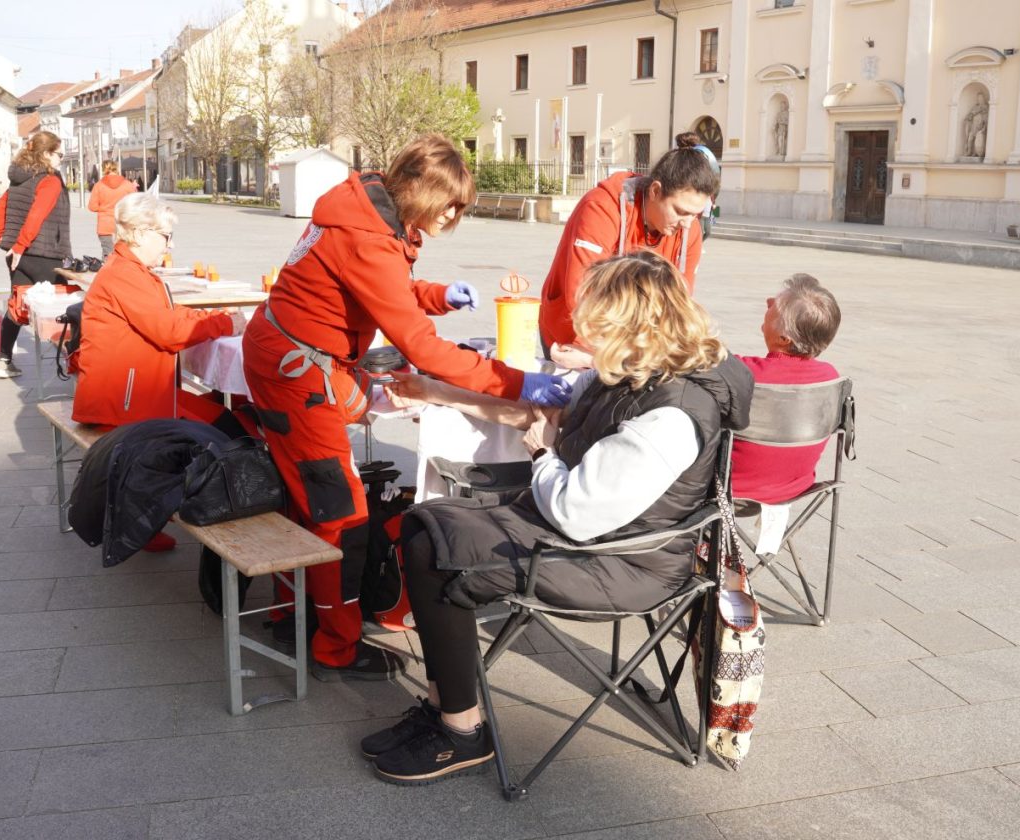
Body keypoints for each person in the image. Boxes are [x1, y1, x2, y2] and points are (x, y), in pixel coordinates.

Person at [361, 251, 754, 786]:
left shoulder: (672, 414)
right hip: (584, 531)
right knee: (424, 524)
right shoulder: (634, 371)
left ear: (633, 328)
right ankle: (443, 708)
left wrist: (544, 454)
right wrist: (437, 392)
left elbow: (574, 509)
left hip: (623, 561)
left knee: (437, 549)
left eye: (596, 326)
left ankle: (461, 730)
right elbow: (536, 414)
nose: (582, 337)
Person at [241, 133, 572, 683]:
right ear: (418, 190)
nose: (454, 215)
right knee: (339, 511)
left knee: (308, 498)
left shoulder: (366, 210)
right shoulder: (368, 237)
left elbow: (385, 289)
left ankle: (293, 615)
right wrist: (518, 383)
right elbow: (422, 348)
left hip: (288, 358)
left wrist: (439, 296)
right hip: (297, 373)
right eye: (450, 203)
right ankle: (335, 646)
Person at [72, 192, 247, 552]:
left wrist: (213, 318)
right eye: (166, 236)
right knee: (223, 431)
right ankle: (151, 516)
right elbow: (169, 331)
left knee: (222, 418)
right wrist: (225, 323)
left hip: (135, 391)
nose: (170, 245)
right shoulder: (126, 274)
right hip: (123, 400)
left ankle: (156, 514)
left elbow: (169, 317)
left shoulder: (131, 270)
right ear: (139, 233)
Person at [538, 139, 719, 353]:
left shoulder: (690, 229)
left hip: (637, 348)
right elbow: (580, 292)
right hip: (576, 336)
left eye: (695, 214)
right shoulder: (602, 207)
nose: (687, 223)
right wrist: (604, 356)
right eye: (680, 211)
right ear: (655, 191)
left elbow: (680, 301)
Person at [730, 273, 842, 504]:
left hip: (728, 489)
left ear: (784, 338)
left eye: (775, 304)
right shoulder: (830, 377)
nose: (768, 302)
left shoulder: (741, 372)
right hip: (795, 488)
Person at [0, 130, 72, 380]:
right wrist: (21, 245)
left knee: (18, 306)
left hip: (16, 255)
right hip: (45, 254)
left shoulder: (20, 177)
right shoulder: (50, 180)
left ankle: (3, 361)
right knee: (65, 306)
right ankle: (73, 360)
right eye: (59, 154)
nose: (61, 159)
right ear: (46, 153)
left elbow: (2, 206)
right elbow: (37, 214)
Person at [87, 160, 138, 257]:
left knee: (108, 255)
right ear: (116, 168)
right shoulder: (127, 184)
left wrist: (104, 207)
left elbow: (92, 207)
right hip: (123, 225)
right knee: (124, 255)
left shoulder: (99, 185)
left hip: (105, 226)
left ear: (103, 169)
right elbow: (135, 204)